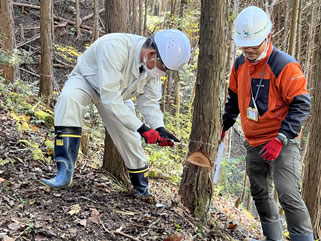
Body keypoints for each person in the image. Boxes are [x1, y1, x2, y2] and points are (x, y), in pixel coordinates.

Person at [39, 29, 191, 196]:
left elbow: (149, 102)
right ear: (152, 54)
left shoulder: (151, 68)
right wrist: (143, 129)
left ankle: (141, 188)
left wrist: (159, 128)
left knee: (129, 136)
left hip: (119, 95)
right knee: (69, 99)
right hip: (87, 81)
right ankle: (64, 173)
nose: (163, 72)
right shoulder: (115, 47)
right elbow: (109, 97)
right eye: (164, 67)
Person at [221, 6, 314, 241]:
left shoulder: (284, 65)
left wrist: (281, 138)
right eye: (245, 45)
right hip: (254, 140)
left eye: (255, 45)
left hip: (282, 141)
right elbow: (234, 97)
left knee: (288, 193)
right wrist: (224, 125)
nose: (249, 50)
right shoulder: (239, 64)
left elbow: (302, 104)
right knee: (260, 193)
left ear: (268, 37)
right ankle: (272, 238)